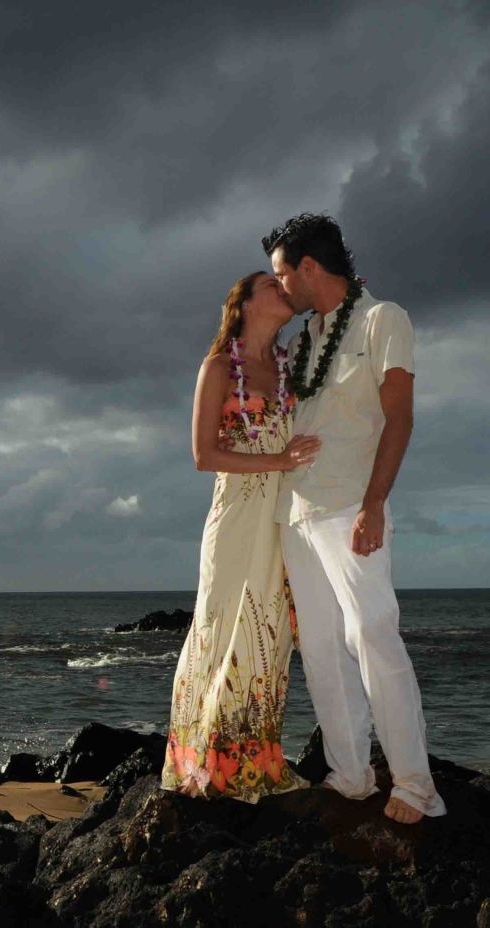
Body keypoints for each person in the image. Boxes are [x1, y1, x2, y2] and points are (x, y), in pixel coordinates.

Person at [264, 213, 446, 822]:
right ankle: (350, 773)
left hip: (350, 506)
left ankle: (415, 784)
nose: (280, 287)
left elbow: (400, 417)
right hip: (295, 512)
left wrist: (373, 505)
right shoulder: (301, 345)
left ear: (309, 267)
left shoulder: (382, 320)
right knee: (319, 646)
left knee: (371, 633)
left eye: (281, 275)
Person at [160, 271, 321, 802]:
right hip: (235, 517)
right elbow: (203, 455)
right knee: (222, 625)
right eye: (271, 285)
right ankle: (204, 762)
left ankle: (255, 762)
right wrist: (279, 460)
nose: (283, 288)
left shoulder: (290, 367)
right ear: (246, 304)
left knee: (269, 634)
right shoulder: (217, 368)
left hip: (284, 517)